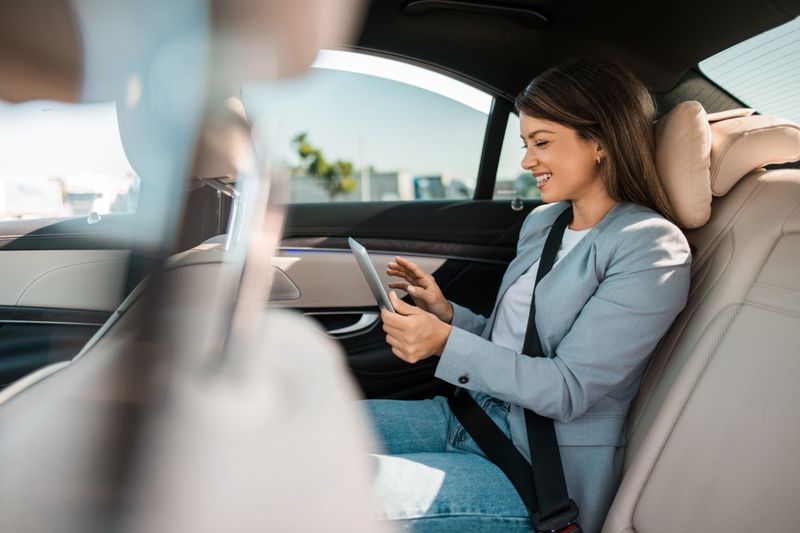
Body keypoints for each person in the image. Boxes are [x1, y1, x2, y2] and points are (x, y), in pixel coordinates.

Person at [363, 58, 692, 533]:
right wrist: (447, 315)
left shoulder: (649, 246)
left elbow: (567, 388)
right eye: (526, 144)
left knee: (325, 494)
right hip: (469, 414)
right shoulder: (544, 222)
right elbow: (514, 345)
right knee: (307, 428)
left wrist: (442, 343)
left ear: (600, 140)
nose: (526, 161)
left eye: (542, 143)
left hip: (536, 469)